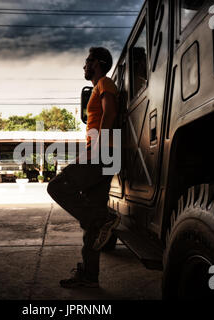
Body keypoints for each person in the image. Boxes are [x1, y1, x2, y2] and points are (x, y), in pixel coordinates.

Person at [47, 47, 121, 288]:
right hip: (106, 153)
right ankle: (90, 276)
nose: (84, 65)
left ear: (97, 63)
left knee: (57, 186)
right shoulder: (99, 86)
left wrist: (98, 147)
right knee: (91, 225)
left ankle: (104, 218)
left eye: (87, 61)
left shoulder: (104, 83)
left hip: (104, 152)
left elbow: (109, 112)